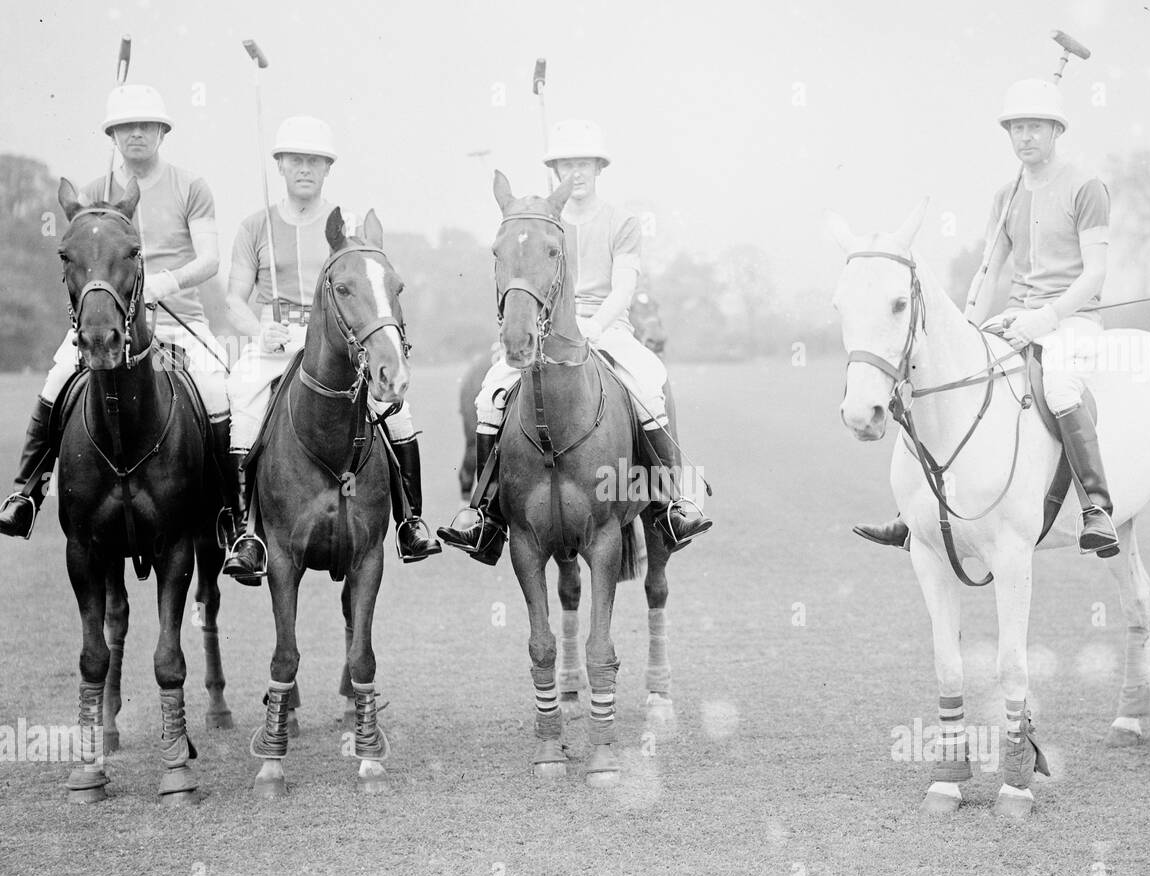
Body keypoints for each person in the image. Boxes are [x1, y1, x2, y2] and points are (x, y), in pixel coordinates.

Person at [855, 78, 1119, 558]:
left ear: (1056, 130)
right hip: (1016, 317)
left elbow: (1095, 275)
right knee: (947, 375)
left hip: (1074, 319)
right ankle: (914, 513)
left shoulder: (1087, 187)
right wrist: (968, 328)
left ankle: (1095, 506)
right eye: (1017, 127)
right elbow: (990, 270)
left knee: (1059, 388)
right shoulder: (1005, 197)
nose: (1025, 136)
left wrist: (1047, 318)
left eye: (1035, 126)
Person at [437, 119, 710, 563]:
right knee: (489, 397)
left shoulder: (621, 222)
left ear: (599, 168)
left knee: (648, 387)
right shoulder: (541, 220)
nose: (576, 172)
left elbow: (623, 285)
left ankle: (669, 503)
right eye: (567, 164)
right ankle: (484, 515)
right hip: (545, 330)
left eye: (584, 163)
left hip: (607, 327)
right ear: (555, 169)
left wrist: (596, 326)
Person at [0, 85, 237, 540]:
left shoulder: (191, 187)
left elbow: (209, 259)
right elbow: (77, 263)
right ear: (113, 135)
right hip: (107, 323)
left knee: (217, 392)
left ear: (162, 133)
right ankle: (26, 493)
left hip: (176, 319)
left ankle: (229, 511)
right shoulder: (93, 194)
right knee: (55, 381)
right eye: (126, 127)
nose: (136, 134)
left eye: (146, 125)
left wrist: (162, 283)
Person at [221, 116, 438, 582]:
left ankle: (410, 521)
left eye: (315, 161)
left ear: (327, 168)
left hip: (339, 343)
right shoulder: (255, 225)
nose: (305, 168)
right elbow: (234, 299)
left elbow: (370, 288)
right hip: (277, 341)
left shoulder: (347, 224)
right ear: (279, 165)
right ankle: (246, 533)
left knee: (398, 409)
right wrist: (260, 328)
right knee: (240, 400)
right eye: (296, 159)